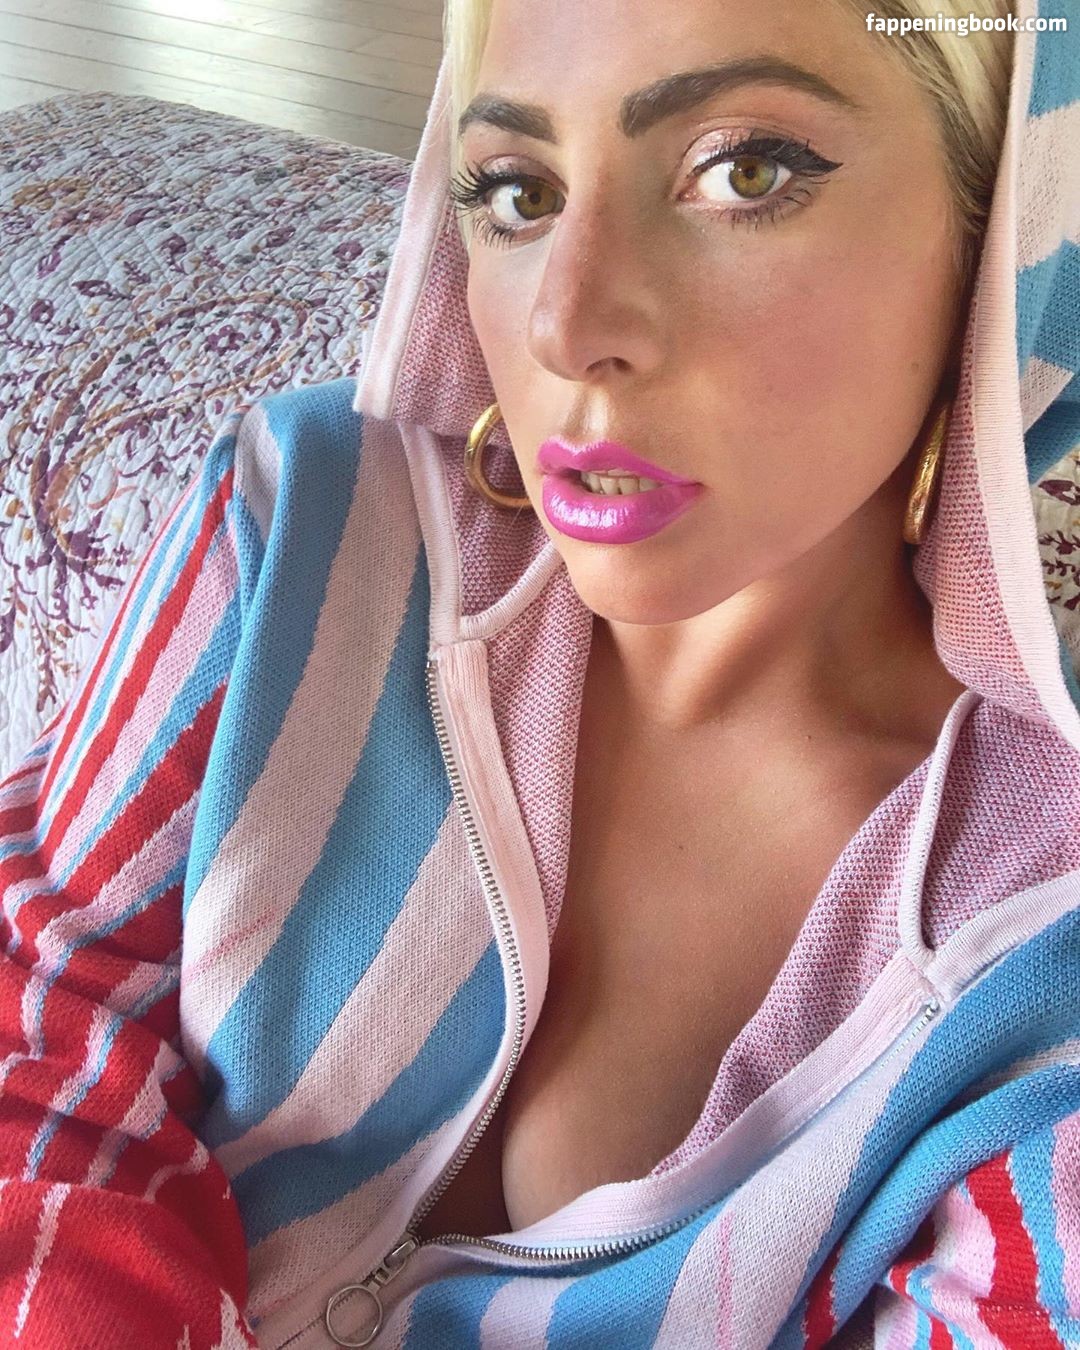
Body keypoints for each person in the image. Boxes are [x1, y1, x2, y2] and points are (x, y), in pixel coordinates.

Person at [1, 0, 1078, 1343]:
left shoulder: (1035, 941)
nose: (567, 324)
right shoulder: (302, 520)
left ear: (999, 234)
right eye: (516, 190)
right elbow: (38, 1006)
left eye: (746, 171)